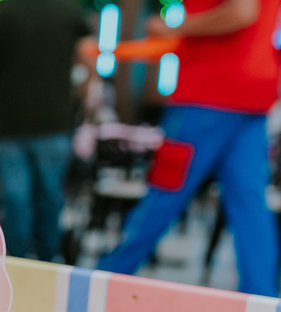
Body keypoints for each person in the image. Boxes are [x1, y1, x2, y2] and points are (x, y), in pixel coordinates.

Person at [97, 0, 281, 296]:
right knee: (250, 208)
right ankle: (265, 309)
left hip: (207, 92)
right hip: (252, 94)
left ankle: (103, 281)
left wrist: (175, 27)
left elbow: (242, 10)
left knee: (164, 192)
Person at [0, 0, 91, 261]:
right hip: (54, 124)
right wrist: (85, 99)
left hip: (10, 124)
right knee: (50, 197)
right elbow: (87, 60)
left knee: (15, 199)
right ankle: (47, 261)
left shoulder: (3, 13)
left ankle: (17, 263)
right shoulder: (71, 11)